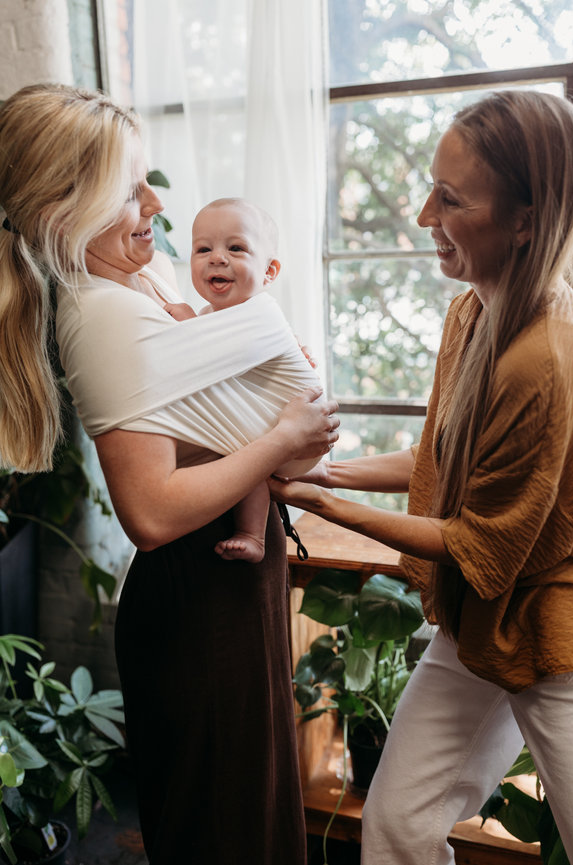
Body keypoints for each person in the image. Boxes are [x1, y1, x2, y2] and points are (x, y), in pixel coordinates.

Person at [0, 83, 339, 865]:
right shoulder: (103, 312)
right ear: (63, 207)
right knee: (225, 827)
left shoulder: (134, 285)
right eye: (130, 187)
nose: (154, 201)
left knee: (243, 814)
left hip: (226, 581)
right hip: (197, 593)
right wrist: (283, 431)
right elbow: (150, 512)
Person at [270, 89, 573, 865]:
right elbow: (436, 466)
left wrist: (320, 500)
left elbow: (478, 542)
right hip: (480, 624)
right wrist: (318, 468)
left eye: (449, 198)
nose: (420, 216)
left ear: (526, 221)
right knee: (399, 826)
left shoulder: (545, 358)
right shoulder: (471, 313)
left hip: (557, 628)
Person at [163, 196, 323, 563]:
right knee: (237, 445)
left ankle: (253, 534)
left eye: (235, 248)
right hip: (267, 428)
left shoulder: (257, 313)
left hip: (290, 435)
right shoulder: (213, 315)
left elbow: (215, 356)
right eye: (203, 249)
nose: (217, 257)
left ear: (269, 271)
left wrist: (186, 322)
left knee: (249, 448)